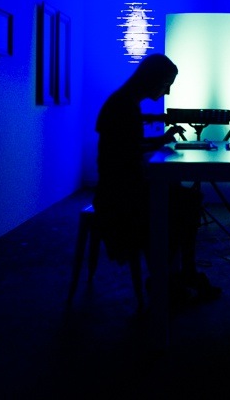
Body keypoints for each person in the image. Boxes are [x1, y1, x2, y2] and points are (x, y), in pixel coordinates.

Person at [93, 53, 220, 307]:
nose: (167, 91)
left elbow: (126, 147)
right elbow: (127, 154)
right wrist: (158, 145)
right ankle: (173, 277)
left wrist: (159, 142)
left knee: (182, 197)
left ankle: (171, 276)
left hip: (115, 189)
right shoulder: (125, 105)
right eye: (166, 84)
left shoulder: (122, 102)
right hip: (119, 197)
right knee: (188, 202)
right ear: (152, 79)